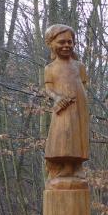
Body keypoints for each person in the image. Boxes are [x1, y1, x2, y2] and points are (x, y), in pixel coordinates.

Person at [43, 24, 89, 182]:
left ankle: (77, 166)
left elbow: (83, 84)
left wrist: (79, 100)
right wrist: (57, 98)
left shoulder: (79, 66)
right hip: (62, 106)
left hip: (79, 105)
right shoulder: (50, 68)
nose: (66, 45)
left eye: (70, 42)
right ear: (51, 44)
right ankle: (63, 166)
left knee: (78, 135)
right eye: (61, 42)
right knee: (63, 134)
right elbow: (48, 89)